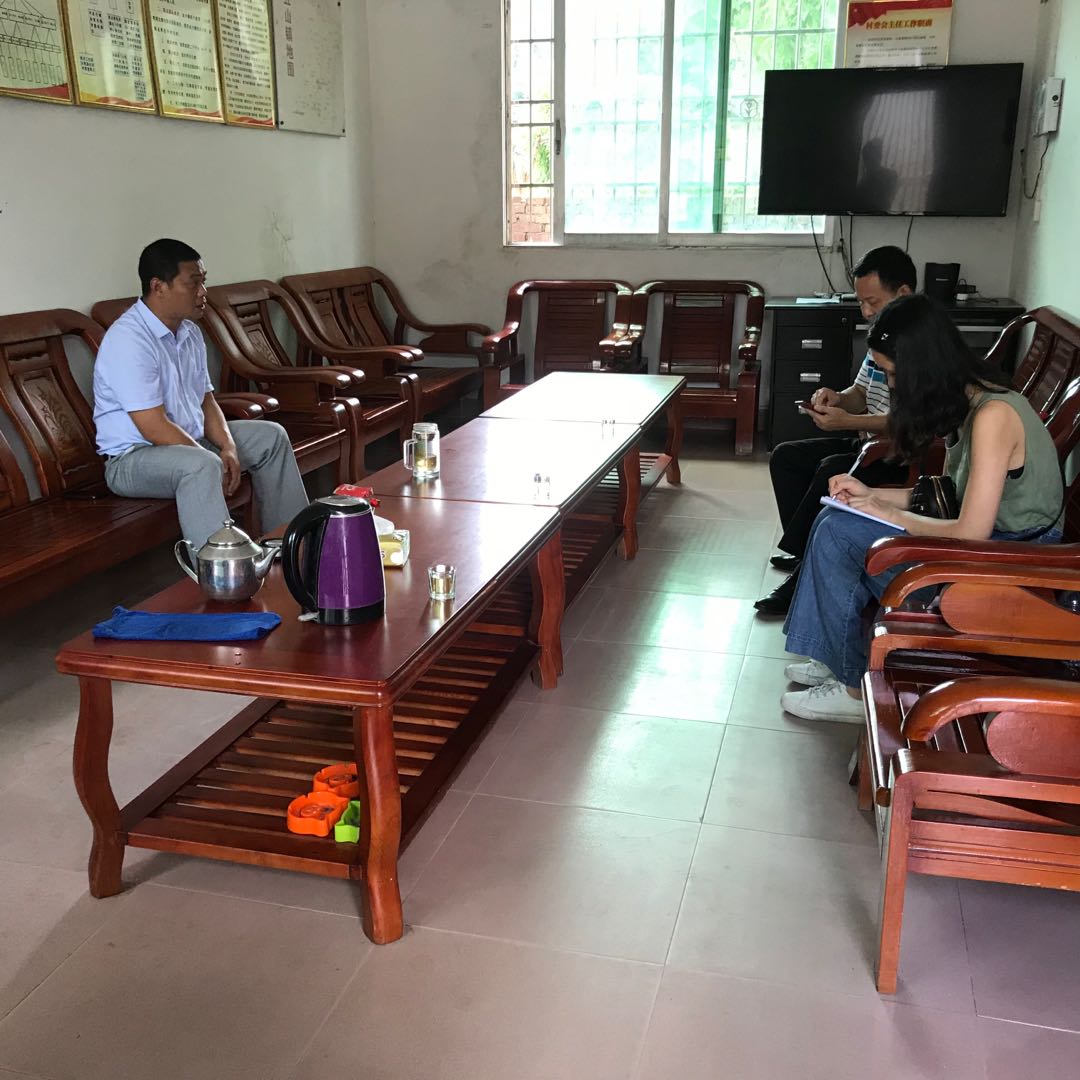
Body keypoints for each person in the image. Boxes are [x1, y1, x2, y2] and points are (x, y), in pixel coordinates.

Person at [780, 294, 1064, 723]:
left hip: (1010, 567)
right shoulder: (968, 404)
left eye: (894, 373)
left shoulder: (994, 415)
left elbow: (971, 531)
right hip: (992, 548)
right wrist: (870, 496)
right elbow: (945, 495)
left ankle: (854, 689)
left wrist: (891, 515)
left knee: (840, 534)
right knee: (838, 515)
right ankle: (839, 658)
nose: (892, 385)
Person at [94, 238, 309, 549]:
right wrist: (211, 457)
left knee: (271, 438)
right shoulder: (130, 339)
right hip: (134, 460)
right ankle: (221, 569)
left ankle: (289, 548)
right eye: (193, 282)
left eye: (203, 281)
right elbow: (153, 426)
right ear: (158, 287)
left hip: (189, 444)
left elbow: (206, 400)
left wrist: (228, 447)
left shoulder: (189, 332)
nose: (203, 292)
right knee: (202, 466)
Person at [755, 246, 917, 615]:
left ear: (903, 294)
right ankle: (806, 554)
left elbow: (910, 420)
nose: (866, 311)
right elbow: (861, 392)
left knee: (830, 469)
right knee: (786, 457)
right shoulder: (882, 336)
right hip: (867, 442)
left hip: (896, 452)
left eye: (872, 301)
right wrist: (837, 398)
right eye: (860, 302)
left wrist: (849, 422)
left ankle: (801, 577)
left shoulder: (917, 345)